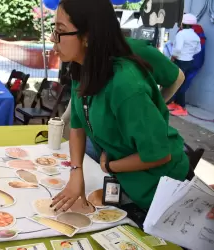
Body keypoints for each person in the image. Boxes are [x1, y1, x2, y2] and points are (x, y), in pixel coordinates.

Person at [50, 0, 189, 211]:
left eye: (60, 31)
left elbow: (159, 154)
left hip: (162, 192)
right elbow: (77, 124)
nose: (52, 38)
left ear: (88, 36)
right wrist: (76, 171)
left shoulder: (125, 85)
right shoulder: (82, 67)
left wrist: (109, 165)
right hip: (126, 183)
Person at [62, 38, 185, 162]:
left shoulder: (134, 49)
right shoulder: (80, 54)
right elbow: (80, 91)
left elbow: (177, 77)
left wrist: (153, 108)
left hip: (133, 145)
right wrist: (64, 119)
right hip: (99, 138)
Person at [169, 13, 201, 116]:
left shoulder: (181, 34)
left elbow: (177, 49)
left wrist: (173, 56)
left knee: (177, 83)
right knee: (182, 83)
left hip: (179, 60)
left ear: (182, 24)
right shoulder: (195, 36)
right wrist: (188, 54)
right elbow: (198, 49)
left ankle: (182, 108)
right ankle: (175, 104)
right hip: (189, 61)